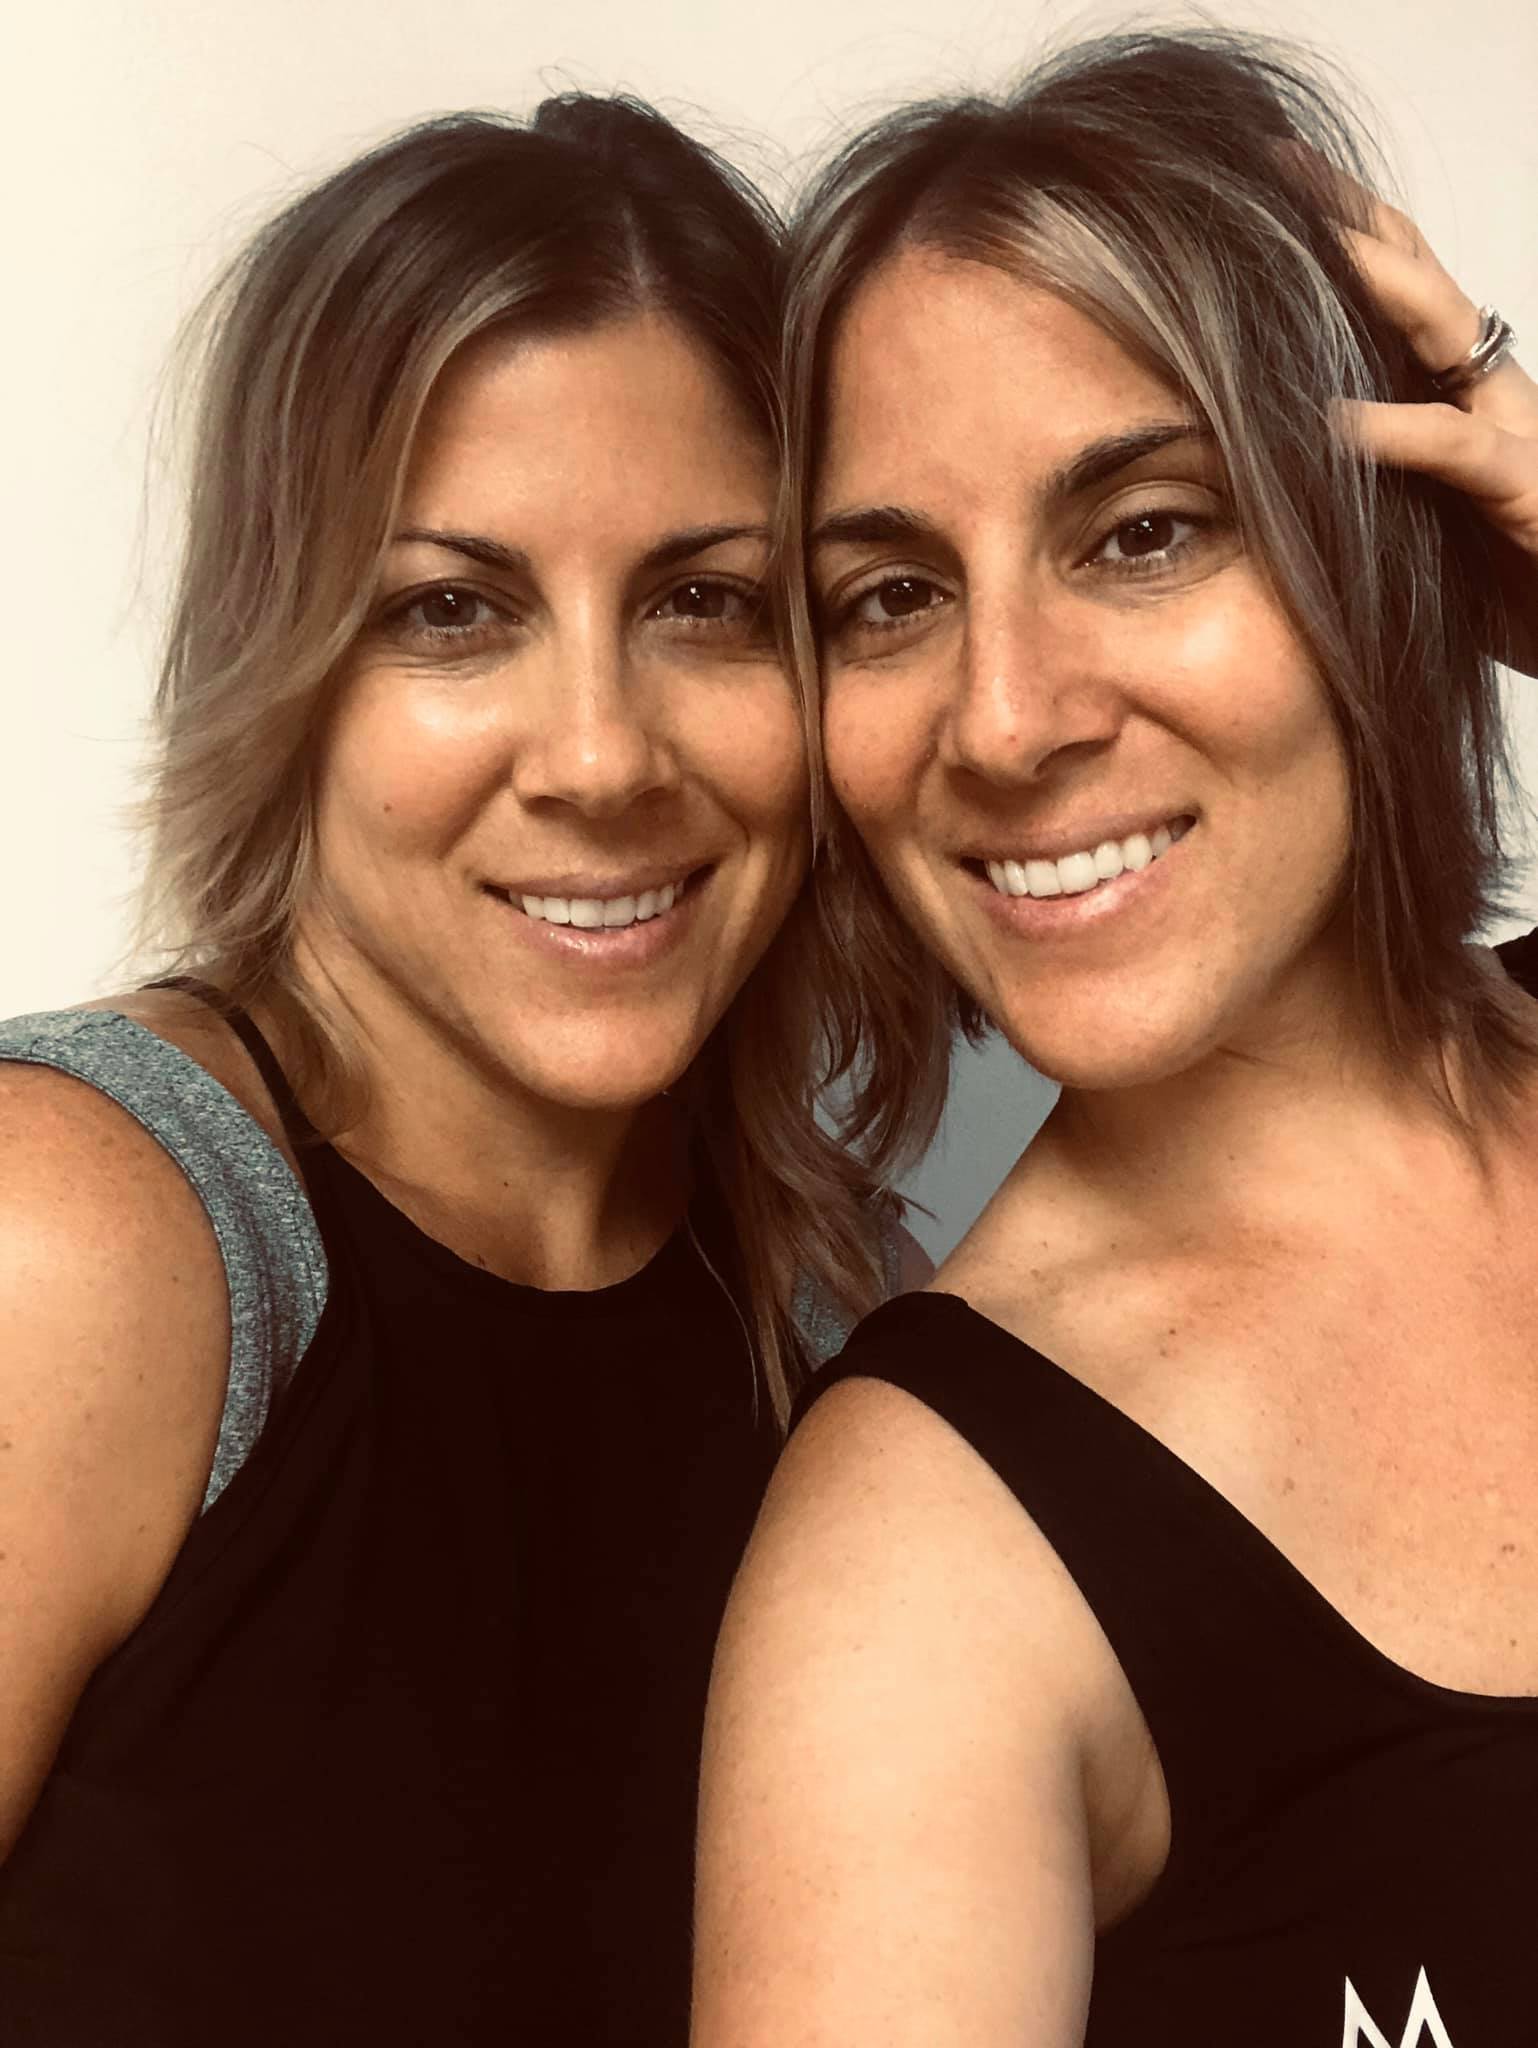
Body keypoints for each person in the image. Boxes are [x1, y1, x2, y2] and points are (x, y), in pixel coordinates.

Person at [0, 97, 899, 2046]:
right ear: (285, 670)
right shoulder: (72, 1236)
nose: (599, 756)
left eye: (704, 601)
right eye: (450, 612)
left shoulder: (847, 1320)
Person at [694, 31, 1538, 2045]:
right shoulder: (924, 1565)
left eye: (1142, 532)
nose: (1004, 718)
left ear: (1376, 547)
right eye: (891, 595)